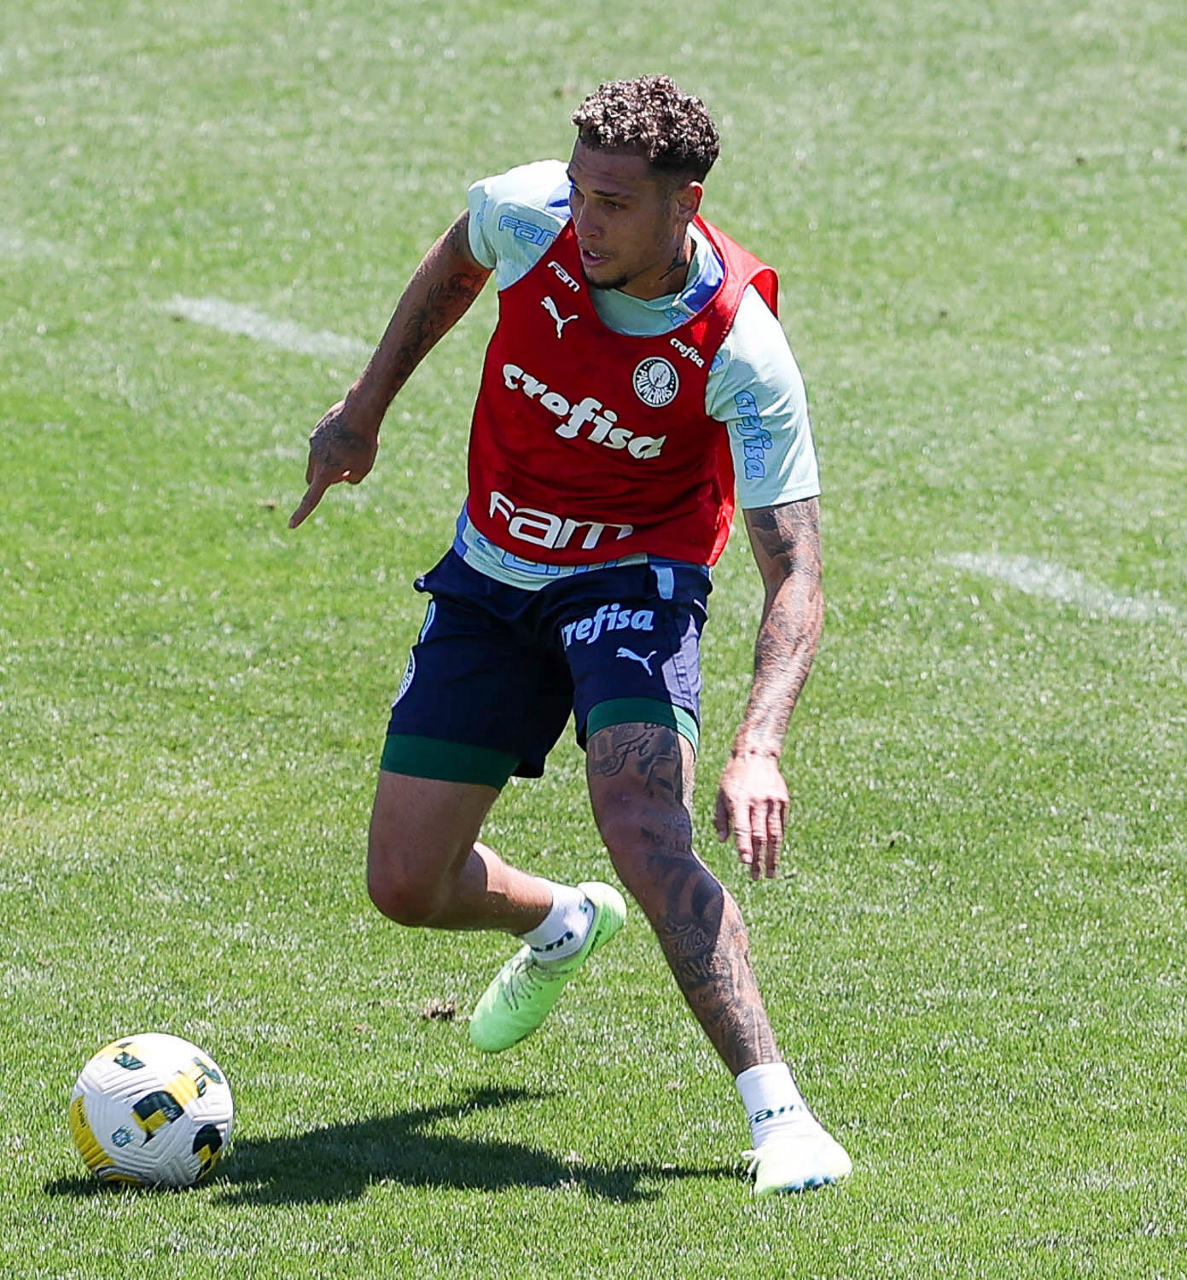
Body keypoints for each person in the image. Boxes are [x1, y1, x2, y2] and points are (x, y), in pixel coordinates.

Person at [289, 74, 850, 1196]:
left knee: (641, 821)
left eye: (615, 205)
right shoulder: (526, 210)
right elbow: (453, 268)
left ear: (685, 205)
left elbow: (794, 573)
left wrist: (759, 745)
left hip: (633, 578)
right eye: (581, 191)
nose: (584, 221)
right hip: (491, 572)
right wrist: (363, 411)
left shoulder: (738, 345)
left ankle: (781, 1116)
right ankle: (559, 919)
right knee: (404, 883)